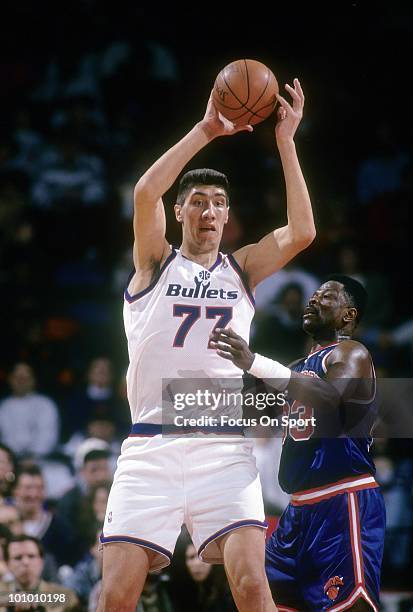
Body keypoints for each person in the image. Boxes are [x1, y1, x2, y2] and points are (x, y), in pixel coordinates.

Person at [98, 78, 316, 612]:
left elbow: (302, 232)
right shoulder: (155, 261)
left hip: (223, 446)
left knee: (251, 586)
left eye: (219, 202)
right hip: (151, 444)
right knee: (117, 597)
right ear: (181, 213)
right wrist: (207, 129)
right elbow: (144, 192)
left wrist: (286, 140)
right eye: (198, 201)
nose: (210, 210)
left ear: (227, 215)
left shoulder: (242, 269)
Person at [210, 275, 386, 611]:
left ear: (348, 315)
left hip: (342, 498)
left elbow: (329, 398)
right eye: (314, 294)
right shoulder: (294, 368)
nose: (313, 299)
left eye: (326, 296)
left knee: (348, 606)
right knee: (260, 598)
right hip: (298, 510)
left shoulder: (352, 353)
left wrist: (257, 364)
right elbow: (249, 411)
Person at [0, 535, 79, 612]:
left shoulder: (65, 595)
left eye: (31, 556)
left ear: (41, 561)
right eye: (18, 558)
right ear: (7, 564)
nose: (25, 562)